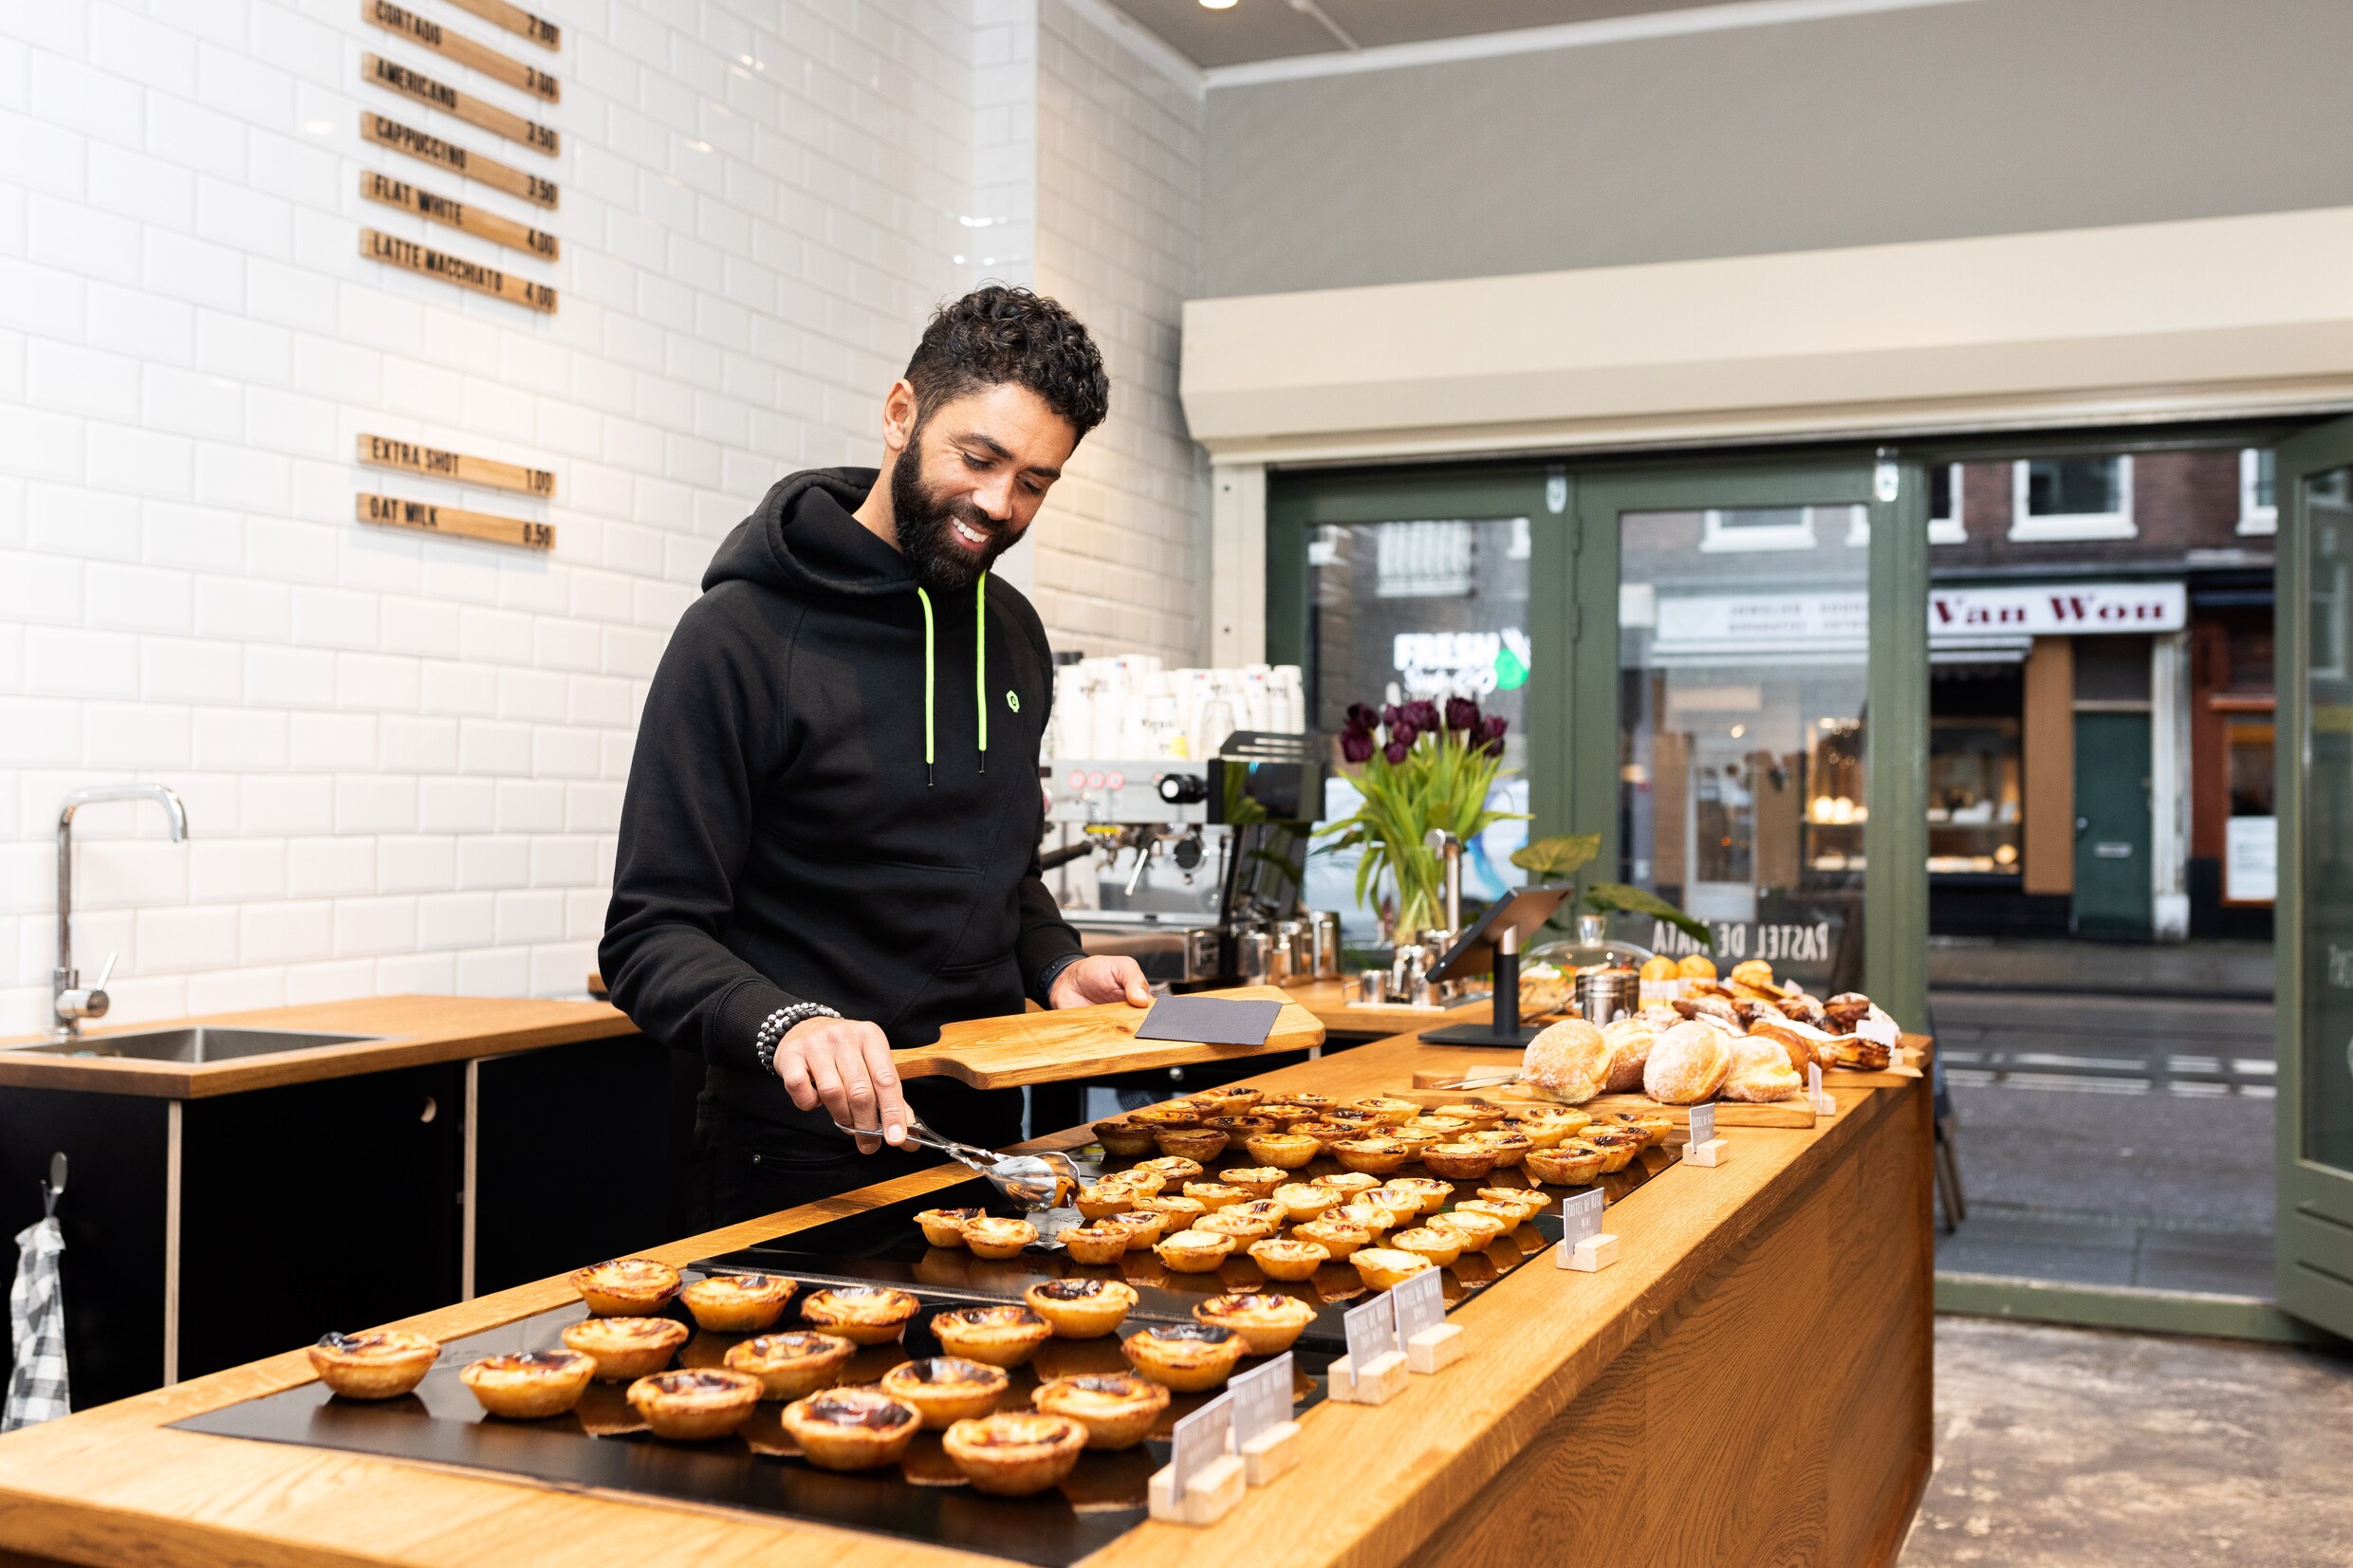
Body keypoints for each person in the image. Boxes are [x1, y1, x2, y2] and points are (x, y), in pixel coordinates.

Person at [600, 286, 1151, 1227]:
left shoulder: (1010, 633)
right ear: (901, 413)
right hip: (785, 1155)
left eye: (1033, 482)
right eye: (977, 459)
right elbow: (648, 936)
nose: (997, 504)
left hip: (985, 1147)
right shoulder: (738, 637)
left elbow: (999, 870)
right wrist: (790, 1024)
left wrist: (1056, 962)